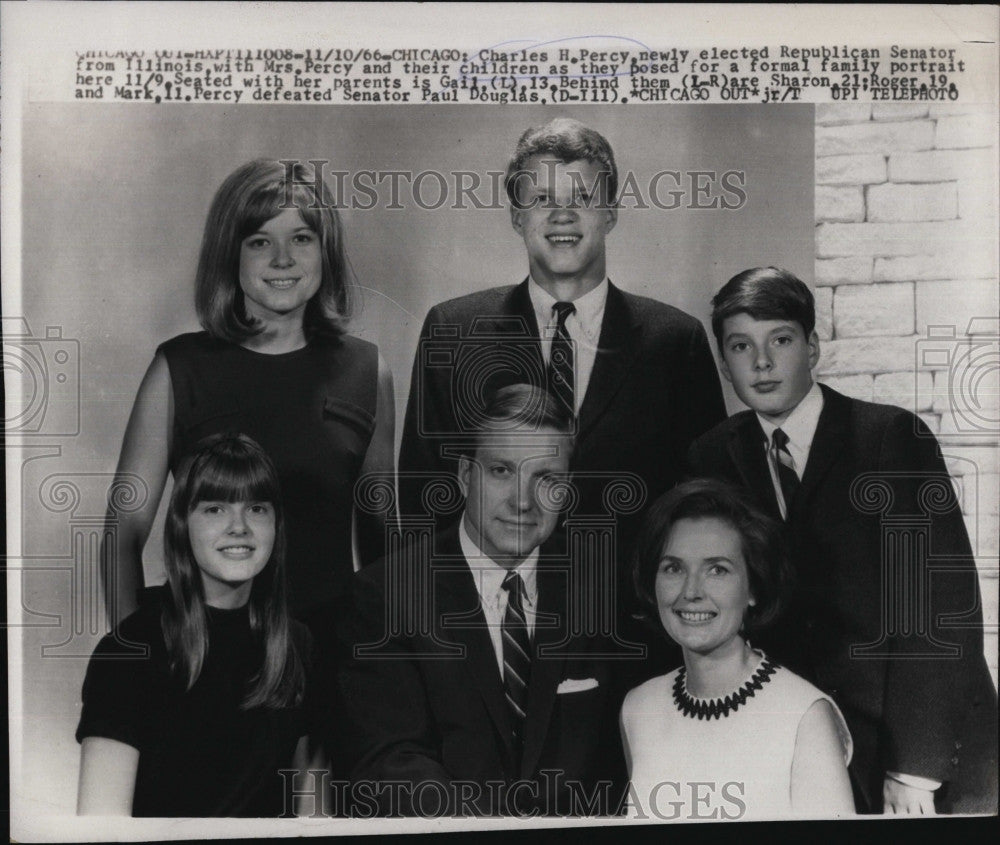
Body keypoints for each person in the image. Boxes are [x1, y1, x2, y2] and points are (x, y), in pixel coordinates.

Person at [398, 117, 726, 681]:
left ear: (612, 212)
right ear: (515, 214)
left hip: (637, 643)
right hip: (496, 643)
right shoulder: (454, 330)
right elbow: (424, 497)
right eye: (542, 197)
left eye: (582, 196)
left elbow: (705, 509)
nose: (562, 214)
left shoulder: (676, 341)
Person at [686, 267, 998, 814]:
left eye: (780, 340)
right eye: (741, 346)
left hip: (915, 753)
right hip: (800, 746)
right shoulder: (712, 455)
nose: (761, 363)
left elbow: (940, 609)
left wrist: (915, 770)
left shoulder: (890, 439)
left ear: (812, 347)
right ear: (722, 362)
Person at [103, 158, 395, 637]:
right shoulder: (178, 370)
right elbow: (122, 534)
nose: (283, 260)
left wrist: (391, 664)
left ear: (326, 251)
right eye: (260, 242)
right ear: (229, 254)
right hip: (210, 654)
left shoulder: (367, 370)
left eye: (301, 238)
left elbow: (383, 542)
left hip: (330, 661)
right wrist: (134, 663)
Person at [339, 384, 626, 816]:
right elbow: (391, 763)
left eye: (546, 478)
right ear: (465, 475)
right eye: (501, 471)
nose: (523, 501)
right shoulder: (387, 595)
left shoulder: (602, 583)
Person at [77, 433, 323, 817]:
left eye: (257, 508)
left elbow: (312, 816)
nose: (239, 527)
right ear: (182, 525)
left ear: (277, 525)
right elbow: (100, 826)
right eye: (215, 509)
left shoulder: (298, 647)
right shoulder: (130, 651)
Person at [621, 479, 855, 820]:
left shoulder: (804, 717)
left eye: (717, 569)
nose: (691, 591)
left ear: (753, 588)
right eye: (673, 568)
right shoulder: (639, 708)